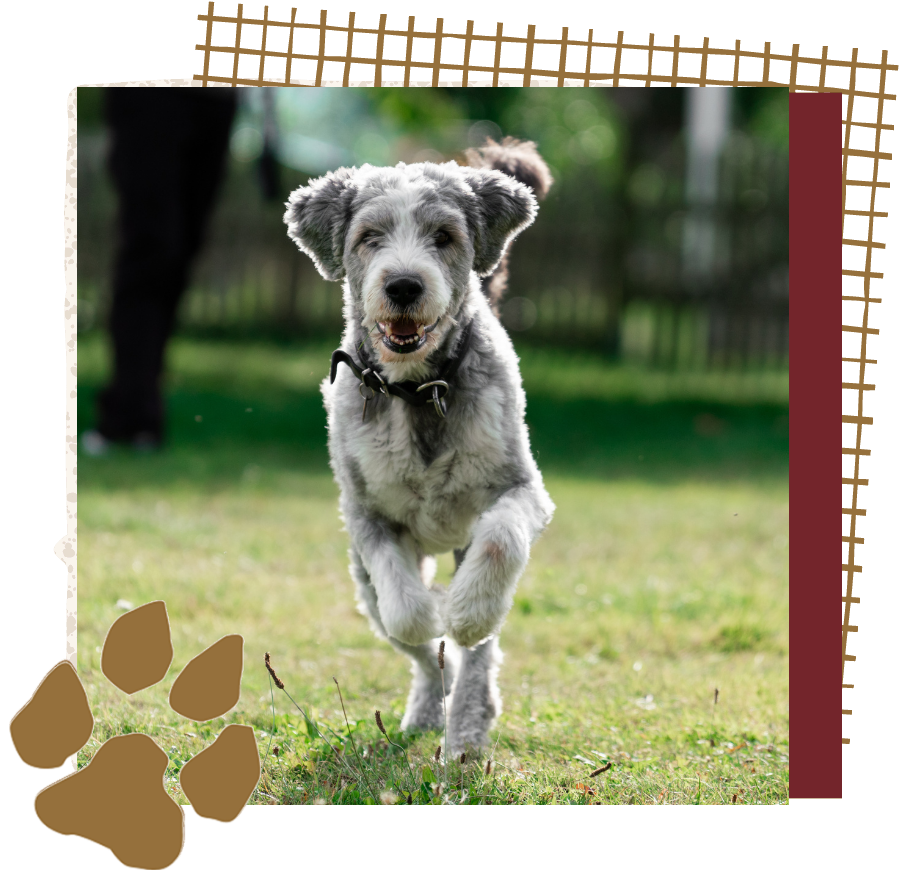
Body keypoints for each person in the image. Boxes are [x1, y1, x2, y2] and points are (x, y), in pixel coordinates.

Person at [82, 87, 238, 454]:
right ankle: (131, 415)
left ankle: (137, 406)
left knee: (182, 252)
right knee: (152, 248)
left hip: (217, 98)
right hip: (152, 96)